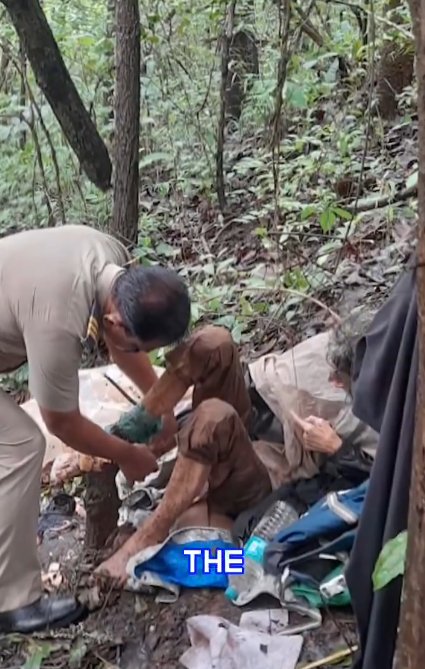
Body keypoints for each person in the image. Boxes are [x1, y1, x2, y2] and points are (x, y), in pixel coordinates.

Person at [0, 224, 191, 633]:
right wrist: (125, 454)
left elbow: (119, 343)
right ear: (117, 319)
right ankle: (13, 605)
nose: (142, 356)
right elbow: (61, 421)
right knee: (21, 446)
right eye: (142, 348)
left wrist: (163, 404)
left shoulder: (109, 256)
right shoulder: (58, 317)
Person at [96, 318, 377, 583]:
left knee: (212, 417)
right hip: (258, 424)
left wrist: (336, 448)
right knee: (213, 343)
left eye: (341, 378)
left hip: (276, 476)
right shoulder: (346, 347)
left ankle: (146, 538)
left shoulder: (390, 418)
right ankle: (128, 433)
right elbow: (261, 379)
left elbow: (375, 491)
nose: (334, 381)